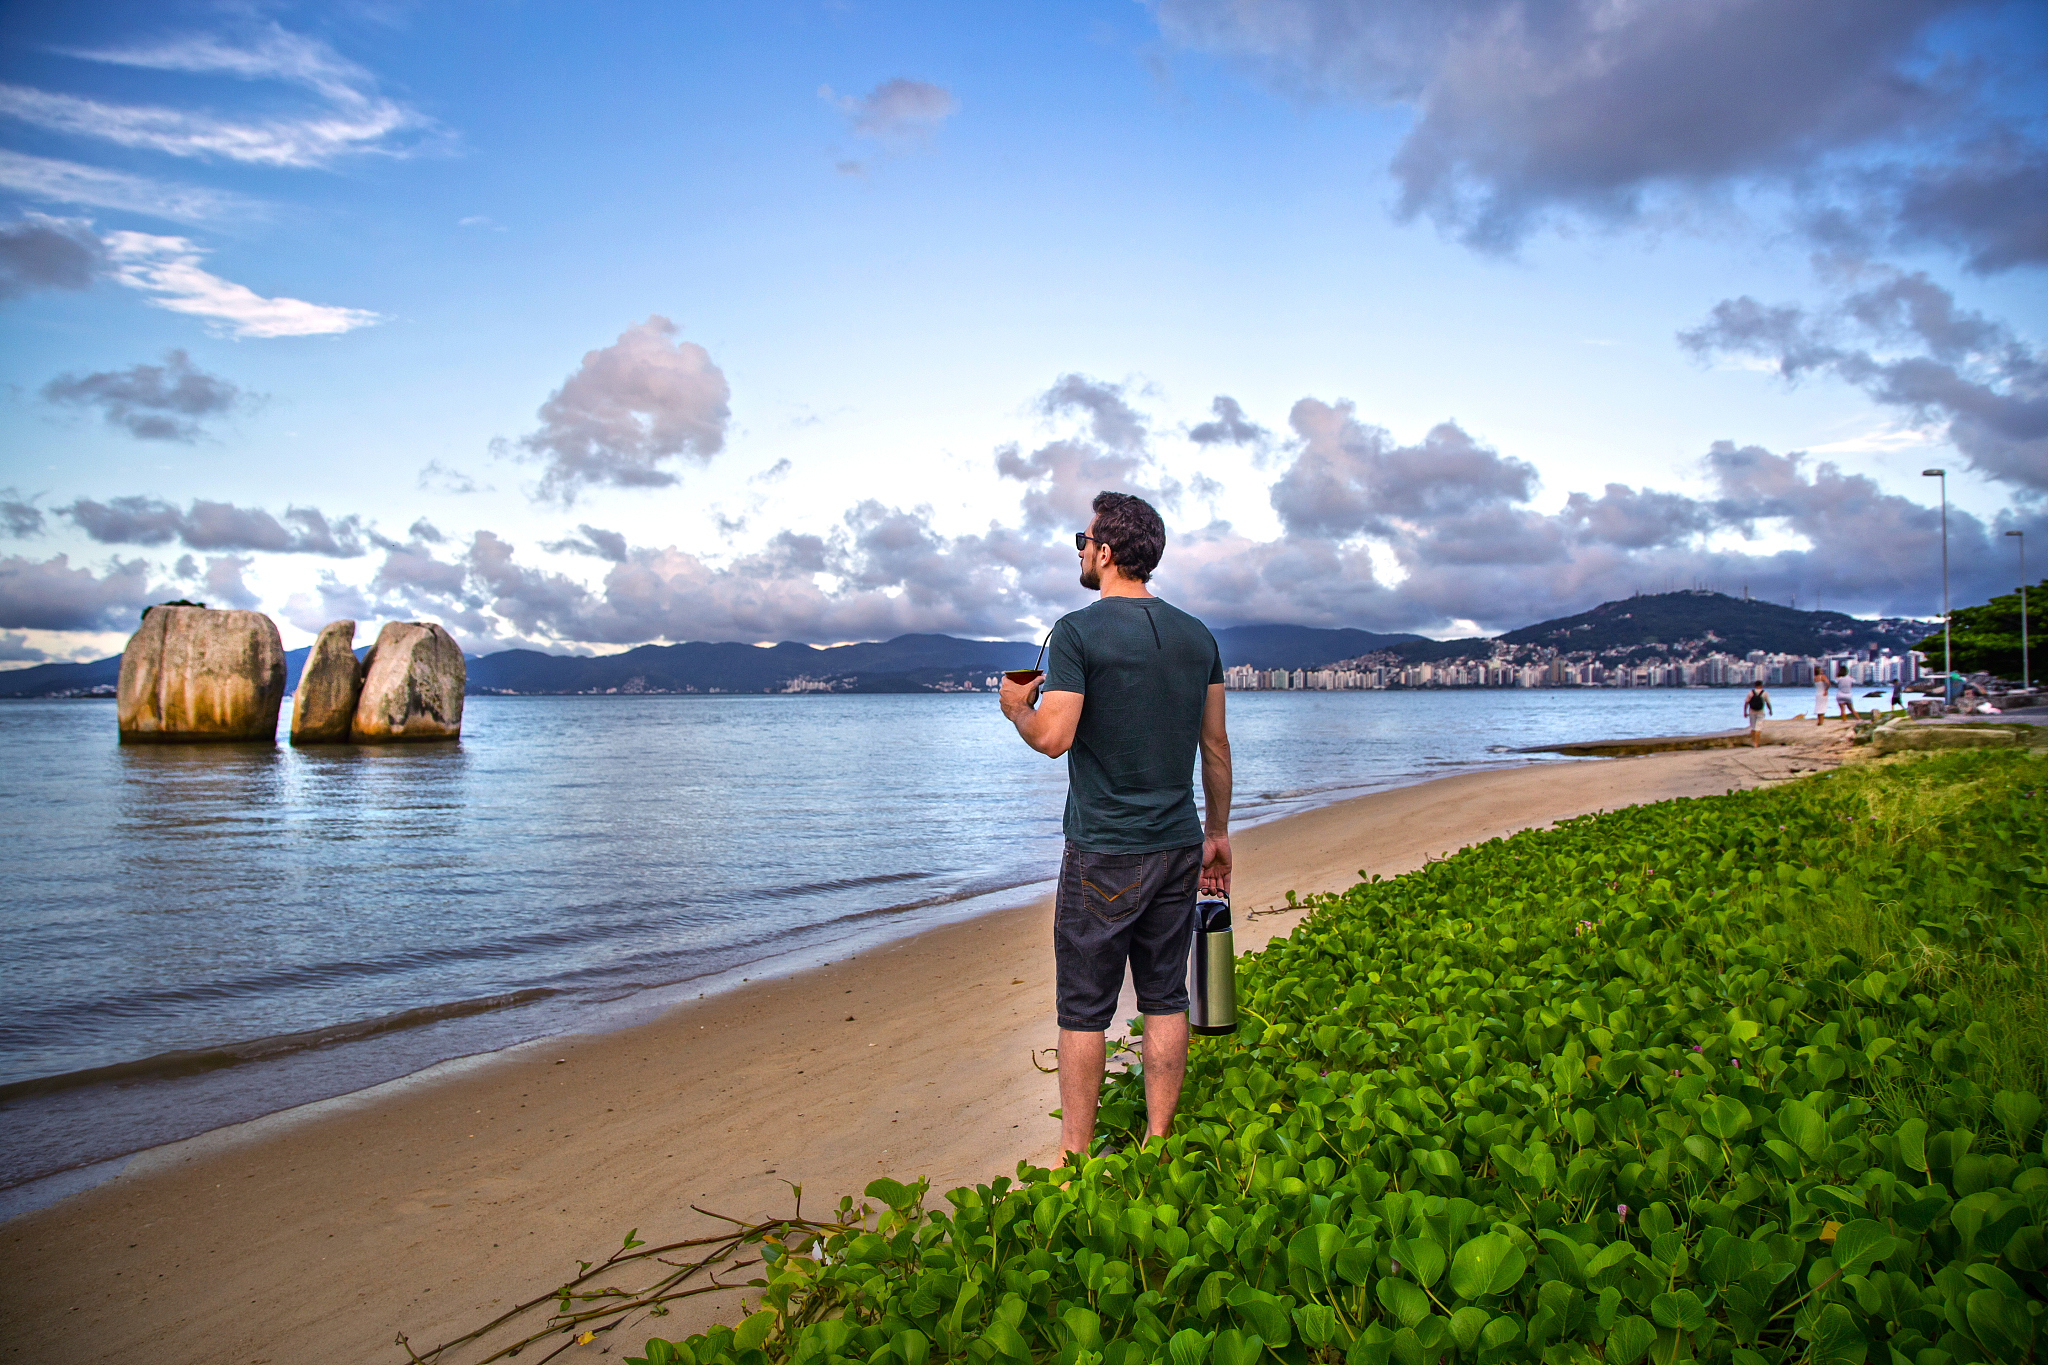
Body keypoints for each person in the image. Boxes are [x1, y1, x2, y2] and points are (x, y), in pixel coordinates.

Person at [999, 491, 1231, 1162]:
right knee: (1165, 995)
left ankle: (1075, 1160)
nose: (1078, 547)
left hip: (1104, 849)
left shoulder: (1076, 631)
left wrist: (1017, 706)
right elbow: (1214, 748)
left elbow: (1053, 736)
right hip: (1179, 840)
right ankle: (1159, 1145)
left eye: (1084, 537)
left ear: (1105, 552)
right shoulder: (1199, 636)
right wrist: (1216, 832)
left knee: (1084, 1008)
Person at [1743, 681, 1771, 746]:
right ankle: (1756, 743)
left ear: (1755, 685)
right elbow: (1768, 703)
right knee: (1758, 728)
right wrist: (1770, 710)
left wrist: (1745, 712)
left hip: (1751, 711)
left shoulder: (1750, 692)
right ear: (1761, 685)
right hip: (1760, 712)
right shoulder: (1764, 693)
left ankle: (1753, 742)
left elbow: (1746, 703)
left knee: (1752, 727)